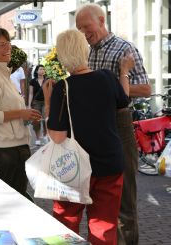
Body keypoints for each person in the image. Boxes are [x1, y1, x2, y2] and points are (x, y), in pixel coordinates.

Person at [47, 29, 134, 245]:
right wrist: (124, 72)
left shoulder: (62, 88)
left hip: (73, 168)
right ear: (84, 50)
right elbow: (123, 101)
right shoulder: (107, 77)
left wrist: (49, 103)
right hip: (109, 164)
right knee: (104, 227)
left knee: (65, 225)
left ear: (63, 56)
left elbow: (57, 137)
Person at [75, 4, 151, 244]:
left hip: (118, 124)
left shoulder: (124, 48)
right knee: (99, 196)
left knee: (124, 199)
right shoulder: (85, 52)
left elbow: (146, 88)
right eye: (79, 29)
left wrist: (112, 86)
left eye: (87, 27)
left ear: (101, 20)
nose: (84, 33)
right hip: (90, 127)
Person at [0, 27, 42, 199]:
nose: (8, 48)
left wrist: (25, 116)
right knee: (14, 201)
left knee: (18, 199)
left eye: (9, 43)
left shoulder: (5, 76)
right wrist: (21, 113)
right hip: (6, 151)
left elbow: (8, 111)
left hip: (18, 148)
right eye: (2, 44)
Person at [28, 64, 47, 145]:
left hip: (45, 102)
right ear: (36, 71)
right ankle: (38, 138)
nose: (42, 70)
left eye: (43, 69)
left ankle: (46, 136)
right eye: (40, 69)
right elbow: (31, 94)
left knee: (45, 120)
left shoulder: (47, 80)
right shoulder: (32, 81)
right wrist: (29, 104)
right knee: (36, 120)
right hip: (36, 102)